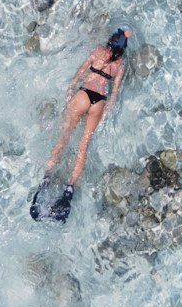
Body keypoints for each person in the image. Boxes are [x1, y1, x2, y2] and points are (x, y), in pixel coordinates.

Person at [30, 27, 130, 222]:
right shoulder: (120, 63)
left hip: (84, 95)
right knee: (84, 144)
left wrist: (71, 87)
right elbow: (115, 91)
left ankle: (47, 178)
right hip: (99, 101)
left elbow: (82, 69)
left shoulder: (99, 50)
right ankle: (69, 189)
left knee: (65, 134)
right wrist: (108, 105)